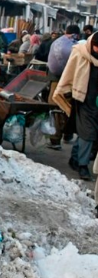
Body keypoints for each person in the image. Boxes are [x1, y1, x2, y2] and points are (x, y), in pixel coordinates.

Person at [53, 33, 98, 181]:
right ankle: (83, 166)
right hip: (82, 99)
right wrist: (65, 92)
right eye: (96, 47)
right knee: (88, 133)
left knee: (86, 133)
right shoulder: (80, 52)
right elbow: (69, 73)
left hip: (95, 102)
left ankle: (75, 158)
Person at [46, 24, 81, 149]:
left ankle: (55, 140)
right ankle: (67, 135)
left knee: (56, 109)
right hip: (69, 82)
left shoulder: (56, 42)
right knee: (68, 109)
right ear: (76, 34)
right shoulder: (76, 45)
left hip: (54, 80)